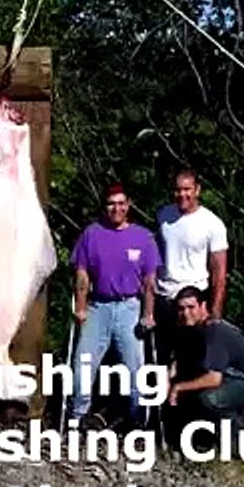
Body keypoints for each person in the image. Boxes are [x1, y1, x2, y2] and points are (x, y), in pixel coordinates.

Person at [66, 182, 161, 428]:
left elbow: (150, 280)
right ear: (105, 206)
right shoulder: (92, 233)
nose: (116, 209)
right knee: (83, 364)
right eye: (111, 204)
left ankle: (138, 421)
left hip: (129, 307)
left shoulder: (143, 237)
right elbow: (82, 273)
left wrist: (148, 313)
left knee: (134, 369)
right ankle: (77, 417)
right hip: (99, 307)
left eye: (121, 203)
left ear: (128, 205)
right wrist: (81, 307)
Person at [165, 286, 244, 448]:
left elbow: (214, 379)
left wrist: (178, 388)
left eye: (191, 307)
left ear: (203, 306)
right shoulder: (191, 330)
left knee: (209, 398)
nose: (186, 314)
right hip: (225, 376)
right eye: (181, 309)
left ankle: (235, 442)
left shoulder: (214, 331)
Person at [153, 168, 229, 366]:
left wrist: (215, 311)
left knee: (193, 358)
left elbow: (219, 272)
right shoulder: (163, 215)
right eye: (178, 190)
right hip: (165, 298)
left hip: (193, 301)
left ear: (197, 190)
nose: (182, 195)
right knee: (161, 358)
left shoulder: (212, 224)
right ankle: (164, 395)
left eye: (187, 189)